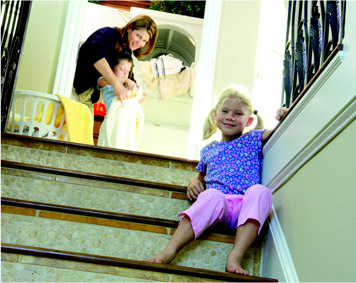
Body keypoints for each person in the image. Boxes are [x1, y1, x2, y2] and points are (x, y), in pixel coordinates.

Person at [146, 84, 284, 276]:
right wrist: (193, 182)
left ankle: (235, 256)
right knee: (211, 194)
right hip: (220, 207)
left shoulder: (253, 138)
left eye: (238, 114)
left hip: (245, 207)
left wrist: (284, 115)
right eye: (225, 111)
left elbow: (281, 132)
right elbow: (199, 178)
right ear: (215, 115)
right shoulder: (208, 150)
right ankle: (170, 250)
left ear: (249, 120)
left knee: (261, 191)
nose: (230, 117)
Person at [73, 15, 157, 115]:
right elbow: (95, 56)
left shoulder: (126, 50)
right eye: (138, 36)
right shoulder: (107, 34)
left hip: (93, 94)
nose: (139, 43)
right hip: (80, 86)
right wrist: (116, 83)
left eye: (144, 41)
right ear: (129, 28)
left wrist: (138, 92)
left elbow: (128, 75)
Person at [97, 51, 145, 150]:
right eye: (122, 69)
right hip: (114, 120)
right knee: (110, 146)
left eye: (128, 71)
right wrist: (125, 80)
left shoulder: (128, 85)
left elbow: (141, 98)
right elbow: (100, 82)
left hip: (128, 123)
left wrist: (136, 90)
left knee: (126, 147)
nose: (125, 73)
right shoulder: (106, 81)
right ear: (112, 68)